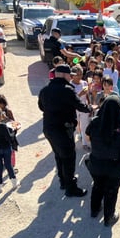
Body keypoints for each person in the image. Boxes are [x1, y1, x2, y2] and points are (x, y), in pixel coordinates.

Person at [38, 64, 94, 197]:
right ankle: (71, 188)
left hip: (48, 129)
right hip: (63, 130)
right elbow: (80, 106)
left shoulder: (45, 90)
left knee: (59, 155)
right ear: (64, 75)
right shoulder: (67, 90)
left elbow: (41, 107)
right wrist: (90, 108)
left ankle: (63, 181)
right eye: (70, 75)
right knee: (69, 157)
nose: (71, 78)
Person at [85, 95, 120, 226]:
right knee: (112, 190)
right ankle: (109, 217)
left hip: (96, 164)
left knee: (97, 185)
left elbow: (88, 139)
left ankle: (94, 210)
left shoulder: (95, 122)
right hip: (117, 166)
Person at [0, 94, 19, 172]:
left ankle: (12, 166)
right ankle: (5, 165)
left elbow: (14, 123)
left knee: (11, 152)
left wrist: (5, 118)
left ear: (4, 103)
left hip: (8, 135)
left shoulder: (8, 111)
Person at [70, 65, 90, 150]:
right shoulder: (69, 85)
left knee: (85, 125)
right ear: (72, 75)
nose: (79, 76)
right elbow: (70, 99)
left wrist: (89, 103)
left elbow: (87, 95)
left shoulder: (84, 83)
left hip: (83, 107)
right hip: (73, 108)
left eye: (81, 74)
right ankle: (71, 144)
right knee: (74, 126)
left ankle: (85, 143)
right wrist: (80, 94)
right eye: (77, 74)